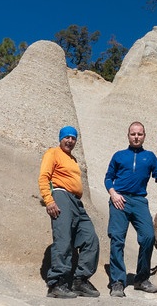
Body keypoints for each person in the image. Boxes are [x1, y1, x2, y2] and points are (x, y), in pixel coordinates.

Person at [104, 122, 157, 297]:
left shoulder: (149, 157)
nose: (136, 137)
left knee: (148, 237)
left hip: (139, 201)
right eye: (133, 134)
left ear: (144, 136)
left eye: (139, 134)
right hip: (120, 200)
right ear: (128, 135)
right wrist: (113, 194)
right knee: (117, 239)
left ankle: (141, 279)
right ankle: (117, 281)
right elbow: (108, 178)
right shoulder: (119, 155)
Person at [38, 126, 100, 298]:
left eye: (73, 138)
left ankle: (79, 280)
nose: (70, 141)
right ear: (61, 138)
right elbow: (44, 177)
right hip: (61, 196)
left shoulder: (72, 159)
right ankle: (57, 284)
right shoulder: (53, 153)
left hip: (76, 202)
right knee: (63, 239)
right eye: (67, 137)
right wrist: (49, 200)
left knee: (90, 238)